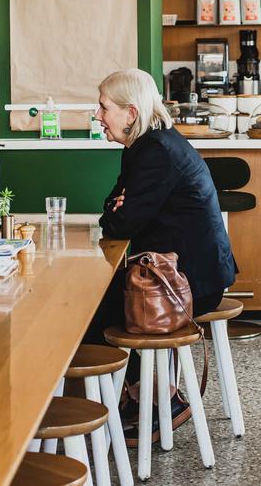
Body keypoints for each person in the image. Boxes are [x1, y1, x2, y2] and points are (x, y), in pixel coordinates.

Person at [85, 68, 236, 439]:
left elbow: (118, 225)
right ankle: (141, 395)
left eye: (104, 108)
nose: (98, 116)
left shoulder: (154, 152)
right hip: (180, 274)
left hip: (187, 285)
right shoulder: (149, 144)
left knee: (89, 313)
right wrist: (118, 207)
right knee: (102, 301)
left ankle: (158, 399)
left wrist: (120, 209)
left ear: (130, 113)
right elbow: (113, 206)